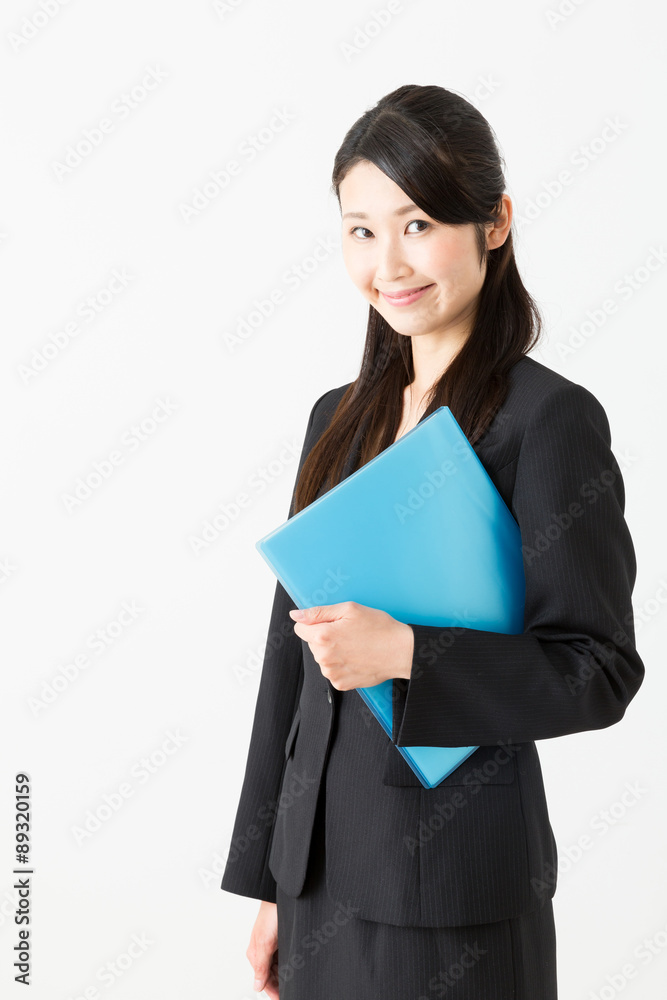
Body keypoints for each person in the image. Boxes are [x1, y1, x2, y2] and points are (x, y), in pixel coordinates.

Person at [220, 84, 645, 999]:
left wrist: (408, 652)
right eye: (361, 231)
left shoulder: (548, 421)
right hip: (317, 880)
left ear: (492, 221)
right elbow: (284, 672)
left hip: (451, 895)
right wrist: (267, 883)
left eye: (417, 224)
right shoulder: (335, 420)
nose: (389, 263)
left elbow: (598, 668)